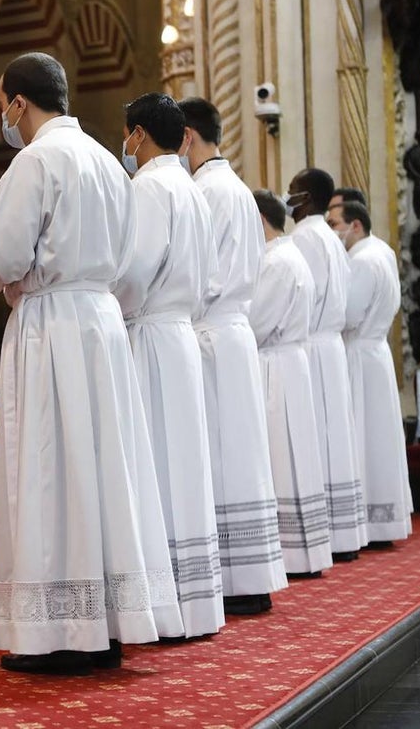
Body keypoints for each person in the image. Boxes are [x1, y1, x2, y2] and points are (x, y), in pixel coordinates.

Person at [0, 52, 181, 676]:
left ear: (16, 103)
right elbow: (124, 257)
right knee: (103, 468)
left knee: (49, 470)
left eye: (2, 101)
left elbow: (2, 255)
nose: (3, 114)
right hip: (102, 325)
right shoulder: (110, 167)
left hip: (52, 328)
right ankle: (108, 623)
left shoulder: (36, 160)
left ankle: (59, 631)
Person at [116, 92, 224, 638]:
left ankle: (162, 603)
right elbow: (206, 279)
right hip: (181, 333)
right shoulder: (190, 187)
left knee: (153, 464)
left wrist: (114, 306)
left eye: (127, 135)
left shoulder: (149, 187)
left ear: (137, 135)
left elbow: (133, 273)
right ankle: (196, 601)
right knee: (183, 465)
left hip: (151, 336)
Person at [177, 97, 287, 616]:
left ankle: (228, 576)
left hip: (211, 333)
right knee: (241, 455)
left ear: (186, 139)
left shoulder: (202, 191)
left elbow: (199, 274)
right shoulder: (240, 189)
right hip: (236, 333)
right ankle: (252, 574)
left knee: (217, 455)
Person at [286, 168, 368, 561]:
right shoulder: (334, 239)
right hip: (332, 345)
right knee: (336, 438)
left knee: (316, 439)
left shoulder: (302, 238)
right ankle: (344, 533)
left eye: (292, 192)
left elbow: (299, 294)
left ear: (304, 198)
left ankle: (323, 536)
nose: (288, 199)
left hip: (313, 346)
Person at [250, 190, 334, 578]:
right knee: (296, 455)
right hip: (292, 362)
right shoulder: (292, 255)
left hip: (276, 365)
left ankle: (290, 553)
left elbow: (258, 322)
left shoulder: (274, 262)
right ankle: (307, 551)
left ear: (260, 221)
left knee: (282, 457)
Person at [329, 200, 413, 546]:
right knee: (379, 437)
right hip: (375, 350)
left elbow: (348, 313)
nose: (334, 232)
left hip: (359, 352)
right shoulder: (383, 251)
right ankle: (384, 520)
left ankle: (368, 522)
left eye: (336, 224)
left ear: (356, 226)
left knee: (364, 436)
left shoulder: (361, 259)